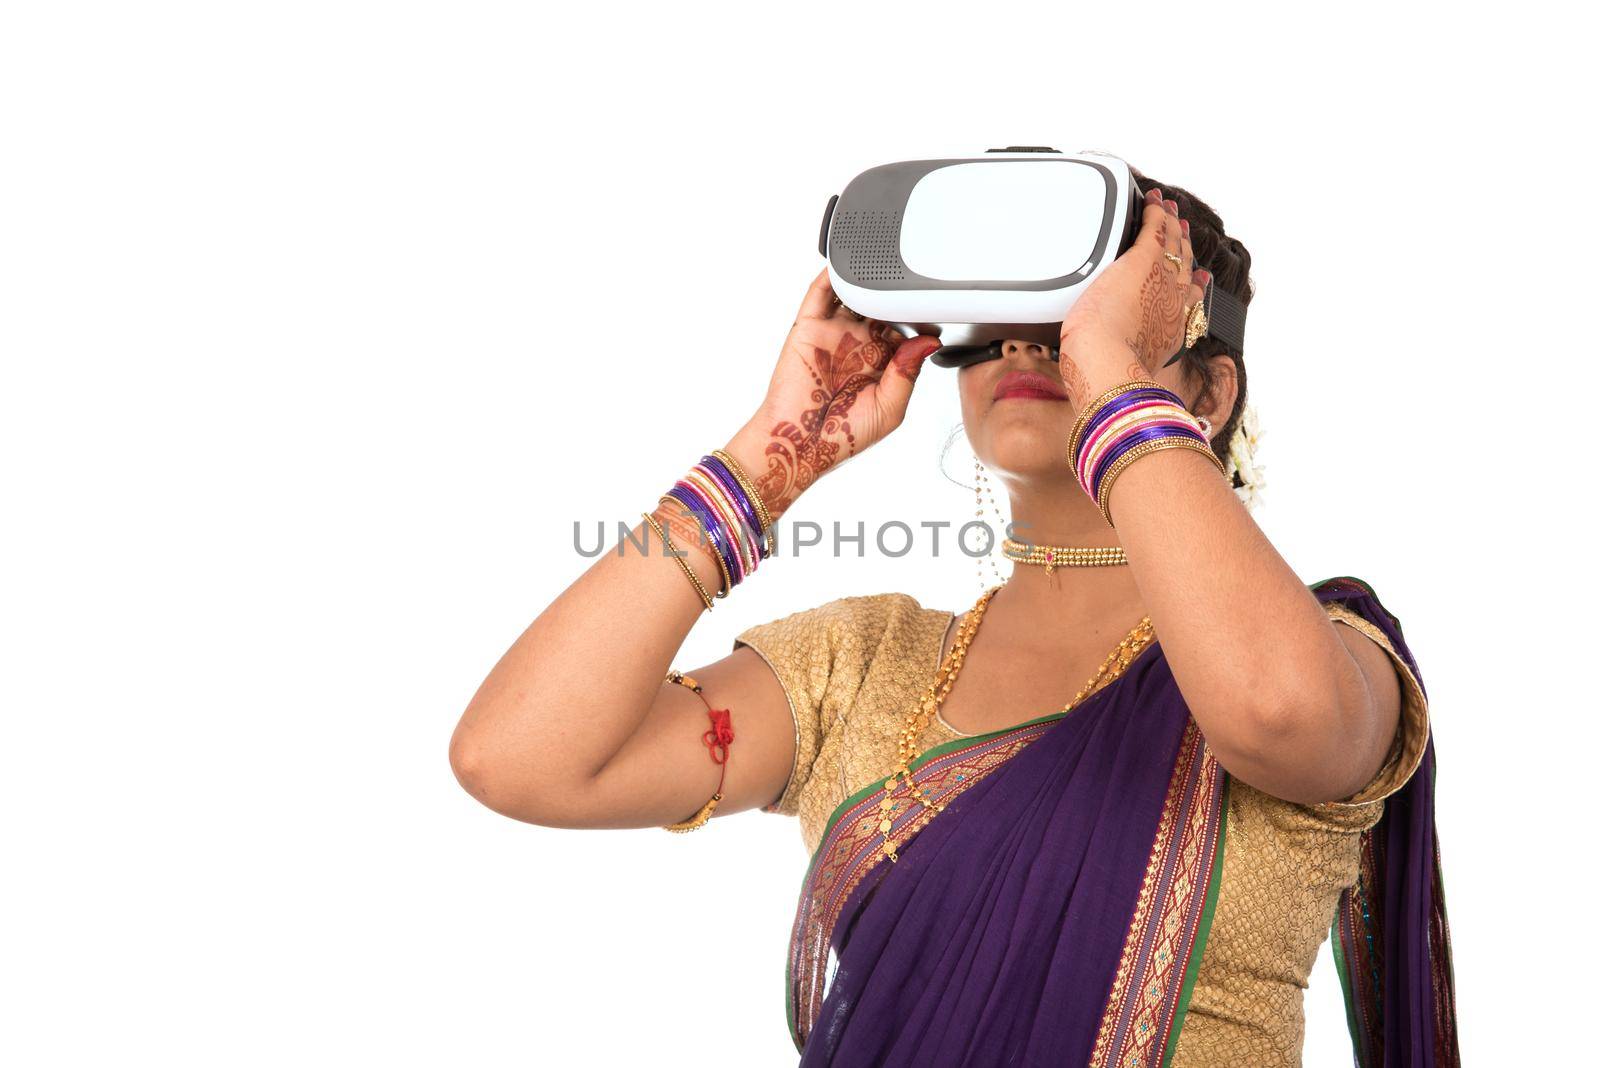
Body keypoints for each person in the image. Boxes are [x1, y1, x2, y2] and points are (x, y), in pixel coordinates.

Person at [448, 173, 1458, 1067]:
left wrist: (1105, 373)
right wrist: (769, 456)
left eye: (1077, 310)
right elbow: (519, 757)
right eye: (1000, 314)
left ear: (1209, 389)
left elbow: (1275, 713)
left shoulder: (1326, 652)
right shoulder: (857, 661)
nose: (1027, 337)